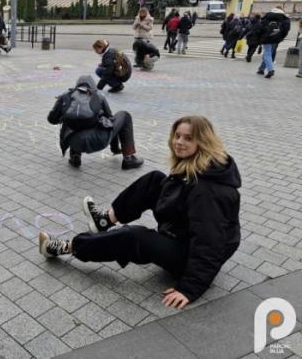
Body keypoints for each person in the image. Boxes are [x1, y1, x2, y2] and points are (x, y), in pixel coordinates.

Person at [39, 115, 241, 309]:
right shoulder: (198, 166)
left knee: (134, 237)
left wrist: (189, 288)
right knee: (155, 180)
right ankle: (104, 220)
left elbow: (210, 243)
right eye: (177, 135)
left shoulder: (207, 191)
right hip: (183, 233)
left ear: (203, 142)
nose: (179, 142)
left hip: (189, 257)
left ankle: (66, 247)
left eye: (188, 138)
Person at [47, 75, 144, 170]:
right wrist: (114, 147)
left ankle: (75, 156)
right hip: (98, 140)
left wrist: (64, 116)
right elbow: (110, 120)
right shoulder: (99, 96)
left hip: (74, 142)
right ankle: (128, 158)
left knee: (71, 122)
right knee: (124, 116)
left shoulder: (66, 96)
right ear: (93, 86)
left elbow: (51, 119)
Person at [257, 6, 291, 78]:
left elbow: (260, 27)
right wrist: (281, 37)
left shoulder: (268, 16)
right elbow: (286, 30)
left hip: (267, 38)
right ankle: (261, 69)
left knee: (267, 54)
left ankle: (270, 70)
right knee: (269, 54)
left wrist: (260, 37)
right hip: (277, 39)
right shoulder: (285, 18)